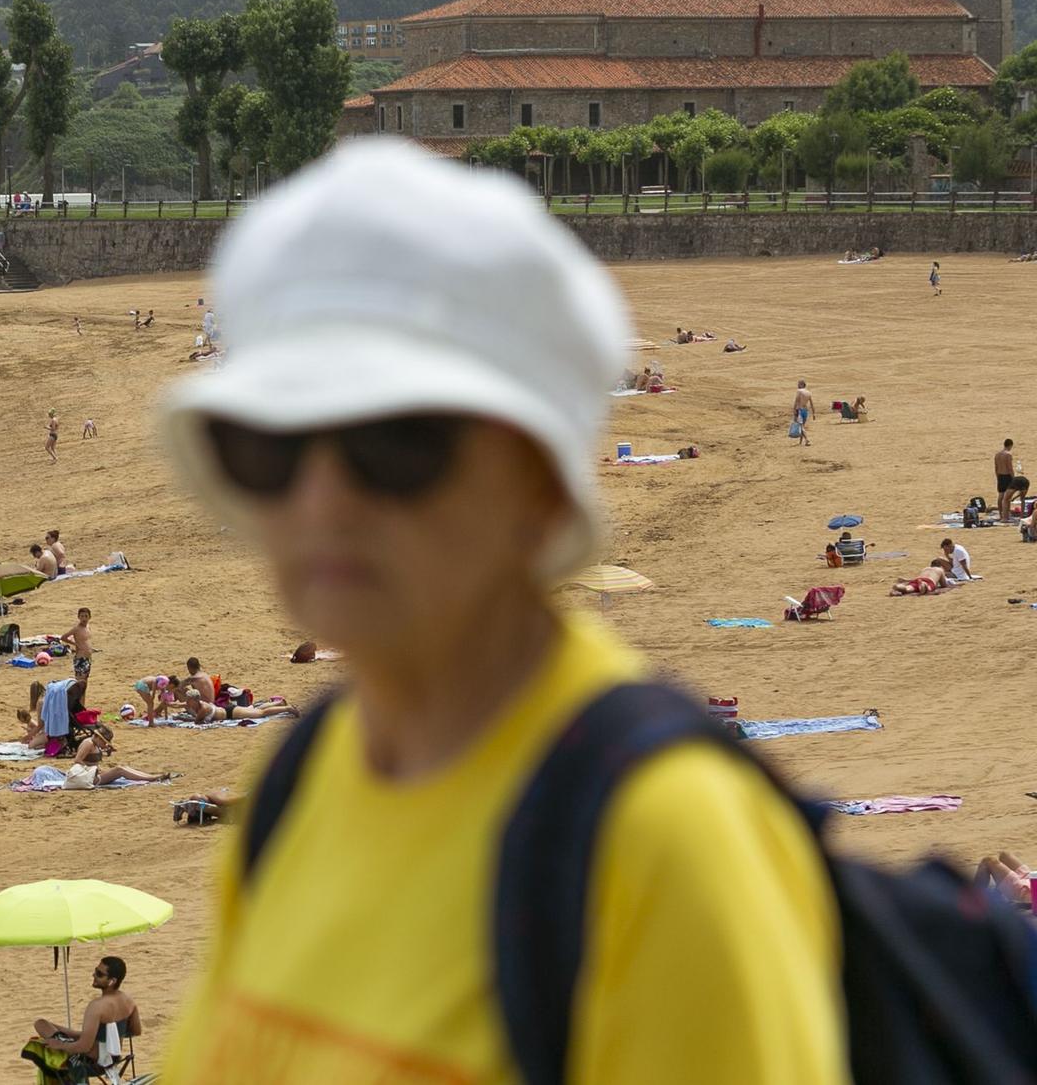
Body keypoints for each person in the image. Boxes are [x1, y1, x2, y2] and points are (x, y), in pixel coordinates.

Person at [155, 141, 844, 1080]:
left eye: (394, 441)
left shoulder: (654, 840)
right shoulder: (299, 777)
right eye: (270, 446)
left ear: (537, 481)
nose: (320, 500)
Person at [32, 956, 141, 1075]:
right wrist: (110, 1035)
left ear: (112, 981)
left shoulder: (97, 1006)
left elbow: (83, 1047)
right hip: (114, 1059)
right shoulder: (128, 1001)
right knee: (50, 1025)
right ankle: (69, 1035)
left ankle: (63, 1038)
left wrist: (60, 1045)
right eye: (95, 970)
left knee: (40, 1024)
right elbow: (136, 1031)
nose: (93, 975)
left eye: (99, 974)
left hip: (90, 1063)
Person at [68, 724, 172, 786]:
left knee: (123, 767)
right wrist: (92, 769)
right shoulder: (88, 743)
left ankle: (151, 777)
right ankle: (151, 778)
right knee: (119, 770)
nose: (104, 744)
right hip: (89, 777)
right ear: (98, 738)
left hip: (92, 775)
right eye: (104, 742)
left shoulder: (94, 744)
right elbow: (77, 760)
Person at [62, 607, 93, 679]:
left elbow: (87, 641)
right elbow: (63, 637)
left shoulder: (88, 627)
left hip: (88, 658)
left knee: (85, 679)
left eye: (86, 616)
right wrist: (75, 644)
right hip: (80, 658)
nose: (84, 618)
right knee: (80, 680)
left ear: (89, 617)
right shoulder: (76, 629)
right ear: (78, 617)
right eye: (82, 616)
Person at [997, 438, 1019, 523]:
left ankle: (1000, 514)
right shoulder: (1008, 455)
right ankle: (1007, 515)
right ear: (1010, 445)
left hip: (1000, 476)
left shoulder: (997, 455)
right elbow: (1010, 468)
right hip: (1007, 476)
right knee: (1007, 497)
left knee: (1000, 496)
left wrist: (997, 476)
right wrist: (1013, 478)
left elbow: (996, 467)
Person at [792, 379, 814, 446]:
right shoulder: (808, 392)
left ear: (802, 384)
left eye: (798, 384)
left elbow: (796, 401)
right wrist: (814, 413)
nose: (797, 385)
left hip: (800, 410)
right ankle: (800, 442)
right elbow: (811, 404)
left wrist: (794, 410)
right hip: (805, 411)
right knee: (802, 426)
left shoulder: (799, 391)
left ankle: (807, 440)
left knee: (801, 427)